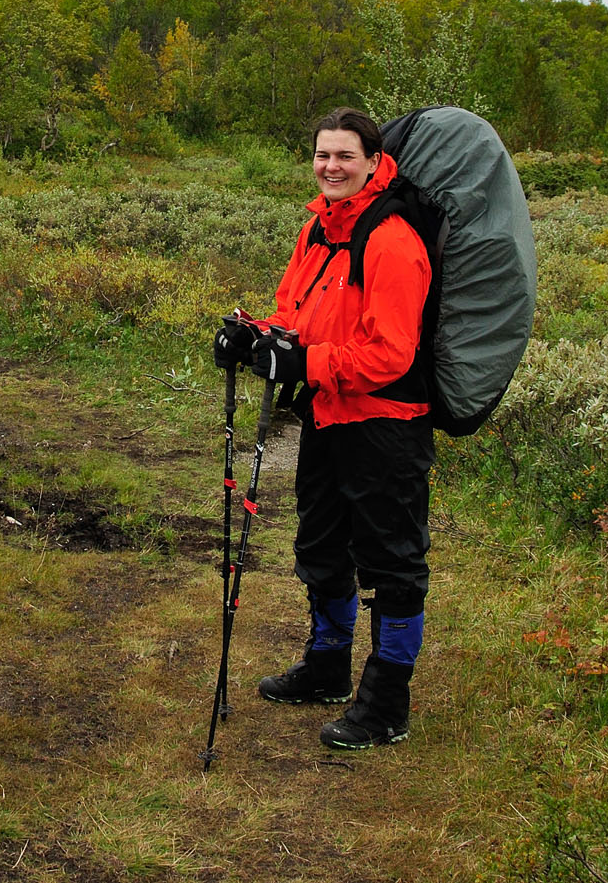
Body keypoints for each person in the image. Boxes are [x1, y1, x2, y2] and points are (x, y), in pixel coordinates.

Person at [214, 107, 433, 750]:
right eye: (321, 155)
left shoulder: (392, 240)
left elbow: (393, 354)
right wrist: (254, 336)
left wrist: (307, 361)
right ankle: (329, 666)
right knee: (321, 545)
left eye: (344, 156)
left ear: (372, 161)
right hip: (326, 415)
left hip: (386, 425)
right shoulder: (317, 230)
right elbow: (296, 313)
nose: (330, 167)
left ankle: (387, 702)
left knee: (392, 565)